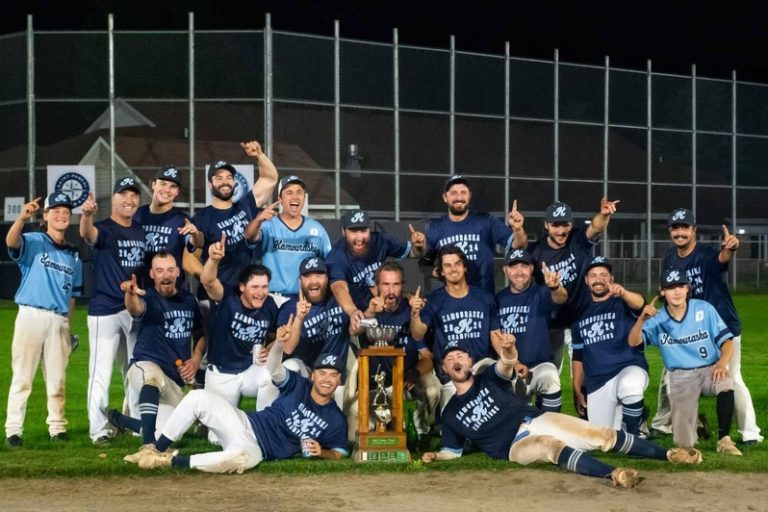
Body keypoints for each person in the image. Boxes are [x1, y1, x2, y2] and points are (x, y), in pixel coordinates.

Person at [420, 341, 703, 488]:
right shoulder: (451, 412)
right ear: (444, 369)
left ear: (470, 361)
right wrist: (436, 456)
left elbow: (506, 364)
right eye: (450, 359)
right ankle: (614, 474)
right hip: (514, 446)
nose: (457, 360)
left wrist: (508, 351)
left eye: (461, 356)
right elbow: (452, 452)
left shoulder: (488, 378)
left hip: (535, 419)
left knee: (600, 434)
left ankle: (669, 454)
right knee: (550, 447)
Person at [123, 338, 349, 474]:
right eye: (322, 373)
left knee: (239, 459)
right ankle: (155, 449)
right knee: (198, 397)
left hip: (259, 450)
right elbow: (273, 368)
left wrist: (323, 452)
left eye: (333, 375)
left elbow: (340, 452)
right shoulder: (298, 385)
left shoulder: (336, 419)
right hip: (243, 423)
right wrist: (279, 343)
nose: (327, 379)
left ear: (340, 380)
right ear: (313, 375)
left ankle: (169, 462)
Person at [650, 208, 762, 444]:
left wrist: (731, 249)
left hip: (722, 326)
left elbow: (722, 259)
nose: (680, 232)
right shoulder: (670, 257)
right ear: (670, 231)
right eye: (676, 228)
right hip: (689, 330)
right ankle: (662, 424)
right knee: (670, 373)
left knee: (731, 377)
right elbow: (670, 289)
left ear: (694, 230)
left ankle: (750, 432)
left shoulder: (706, 255)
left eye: (685, 227)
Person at [628, 268, 742, 456]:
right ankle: (697, 426)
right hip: (680, 377)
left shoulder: (703, 308)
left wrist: (721, 364)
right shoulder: (657, 318)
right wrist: (641, 319)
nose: (677, 292)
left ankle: (724, 439)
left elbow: (727, 342)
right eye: (670, 287)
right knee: (685, 446)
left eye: (681, 286)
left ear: (688, 288)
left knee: (725, 381)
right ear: (662, 291)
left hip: (709, 369)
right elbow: (633, 342)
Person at [4, 193, 83, 448]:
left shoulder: (73, 254)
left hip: (59, 320)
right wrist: (21, 219)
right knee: (23, 377)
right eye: (55, 210)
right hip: (31, 315)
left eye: (66, 211)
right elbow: (11, 242)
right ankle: (14, 430)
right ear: (46, 215)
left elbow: (73, 295)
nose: (61, 215)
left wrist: (68, 326)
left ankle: (57, 429)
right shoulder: (34, 240)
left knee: (57, 379)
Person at [109, 252, 205, 447]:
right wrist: (130, 294)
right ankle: (148, 447)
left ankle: (121, 420)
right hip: (145, 366)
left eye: (170, 270)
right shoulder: (149, 298)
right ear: (152, 274)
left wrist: (195, 361)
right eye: (160, 271)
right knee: (153, 377)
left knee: (170, 432)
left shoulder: (189, 300)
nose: (165, 275)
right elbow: (135, 308)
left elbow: (200, 334)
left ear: (177, 272)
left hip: (174, 380)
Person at [516, 198, 620, 375]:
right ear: (546, 225)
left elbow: (596, 227)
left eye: (565, 224)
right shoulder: (537, 251)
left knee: (587, 371)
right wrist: (518, 229)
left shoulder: (577, 240)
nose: (561, 230)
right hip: (552, 320)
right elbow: (519, 250)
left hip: (581, 316)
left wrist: (603, 215)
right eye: (555, 225)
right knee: (547, 370)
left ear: (571, 224)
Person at [80, 177, 147, 445]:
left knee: (135, 370)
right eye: (123, 194)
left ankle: (134, 424)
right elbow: (88, 235)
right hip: (105, 310)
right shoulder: (104, 228)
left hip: (132, 310)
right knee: (101, 372)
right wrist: (86, 215)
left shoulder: (140, 231)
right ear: (114, 199)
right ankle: (98, 430)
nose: (129, 199)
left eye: (134, 195)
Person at [347, 261, 441, 441]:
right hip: (373, 385)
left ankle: (420, 431)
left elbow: (427, 357)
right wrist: (370, 313)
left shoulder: (411, 310)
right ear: (377, 286)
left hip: (404, 382)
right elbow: (354, 330)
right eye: (386, 284)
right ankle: (389, 425)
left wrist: (415, 372)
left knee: (431, 388)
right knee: (355, 434)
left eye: (396, 284)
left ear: (402, 286)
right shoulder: (368, 306)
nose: (390, 291)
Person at [409, 246, 504, 410]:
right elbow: (418, 334)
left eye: (457, 264)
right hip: (451, 376)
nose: (453, 269)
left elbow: (495, 335)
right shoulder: (434, 301)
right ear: (441, 271)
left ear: (465, 267)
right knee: (455, 419)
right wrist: (415, 314)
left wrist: (510, 360)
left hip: (481, 370)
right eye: (447, 265)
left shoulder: (485, 298)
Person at [257, 257, 352, 411]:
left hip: (334, 371)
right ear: (300, 281)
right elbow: (287, 348)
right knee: (284, 369)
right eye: (307, 276)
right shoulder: (290, 308)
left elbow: (357, 325)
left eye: (319, 275)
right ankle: (263, 421)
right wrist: (299, 318)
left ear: (327, 278)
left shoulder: (340, 300)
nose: (313, 281)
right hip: (306, 371)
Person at [191, 141, 279, 301]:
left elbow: (270, 178)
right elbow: (197, 243)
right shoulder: (201, 217)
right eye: (219, 178)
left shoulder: (246, 204)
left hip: (245, 293)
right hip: (216, 295)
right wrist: (195, 236)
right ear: (210, 184)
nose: (225, 182)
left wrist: (259, 155)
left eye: (229, 177)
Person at [571, 257, 648, 435]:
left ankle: (635, 432)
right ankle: (631, 418)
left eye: (603, 275)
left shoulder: (622, 302)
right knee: (602, 438)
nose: (598, 279)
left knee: (629, 386)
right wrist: (577, 389)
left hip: (628, 368)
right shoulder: (579, 314)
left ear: (611, 278)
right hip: (597, 381)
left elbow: (641, 304)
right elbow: (578, 356)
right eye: (593, 275)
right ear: (586, 280)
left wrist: (624, 293)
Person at [200, 234, 278, 407]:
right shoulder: (228, 298)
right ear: (242, 287)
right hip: (222, 374)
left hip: (251, 371)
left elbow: (278, 335)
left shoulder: (269, 305)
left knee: (272, 375)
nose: (260, 292)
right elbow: (208, 281)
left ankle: (265, 421)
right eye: (255, 287)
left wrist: (269, 349)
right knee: (219, 424)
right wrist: (213, 260)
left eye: (264, 287)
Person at [422, 175, 526, 294]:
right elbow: (424, 263)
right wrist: (442, 273)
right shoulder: (435, 228)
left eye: (463, 192)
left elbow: (519, 245)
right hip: (450, 299)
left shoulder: (486, 221)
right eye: (454, 193)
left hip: (484, 296)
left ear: (469, 196)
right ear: (445, 197)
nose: (459, 197)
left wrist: (518, 229)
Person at [496, 248, 566, 412]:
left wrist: (556, 287)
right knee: (516, 418)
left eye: (524, 266)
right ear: (505, 270)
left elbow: (560, 298)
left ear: (532, 269)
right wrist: (513, 363)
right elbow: (495, 335)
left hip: (539, 366)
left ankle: (548, 425)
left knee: (550, 377)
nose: (519, 272)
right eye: (513, 266)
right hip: (511, 368)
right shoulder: (498, 299)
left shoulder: (541, 293)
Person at [326, 209, 425, 324]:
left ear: (370, 230)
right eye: (353, 231)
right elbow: (339, 287)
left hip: (381, 308)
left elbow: (414, 253)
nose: (359, 238)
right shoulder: (337, 257)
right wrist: (352, 310)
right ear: (343, 231)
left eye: (364, 231)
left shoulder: (379, 241)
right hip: (356, 314)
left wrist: (419, 246)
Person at [245, 174, 331, 307]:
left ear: (304, 198)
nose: (295, 197)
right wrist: (258, 220)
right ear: (280, 199)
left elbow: (330, 264)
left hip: (304, 299)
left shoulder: (317, 229)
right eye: (289, 192)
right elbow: (249, 236)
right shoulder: (268, 225)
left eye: (299, 192)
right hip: (273, 298)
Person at [133, 165, 202, 289]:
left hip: (171, 292)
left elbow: (194, 243)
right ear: (153, 184)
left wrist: (195, 235)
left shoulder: (182, 221)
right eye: (163, 184)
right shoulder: (136, 215)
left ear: (177, 192)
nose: (167, 190)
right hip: (141, 291)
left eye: (173, 186)